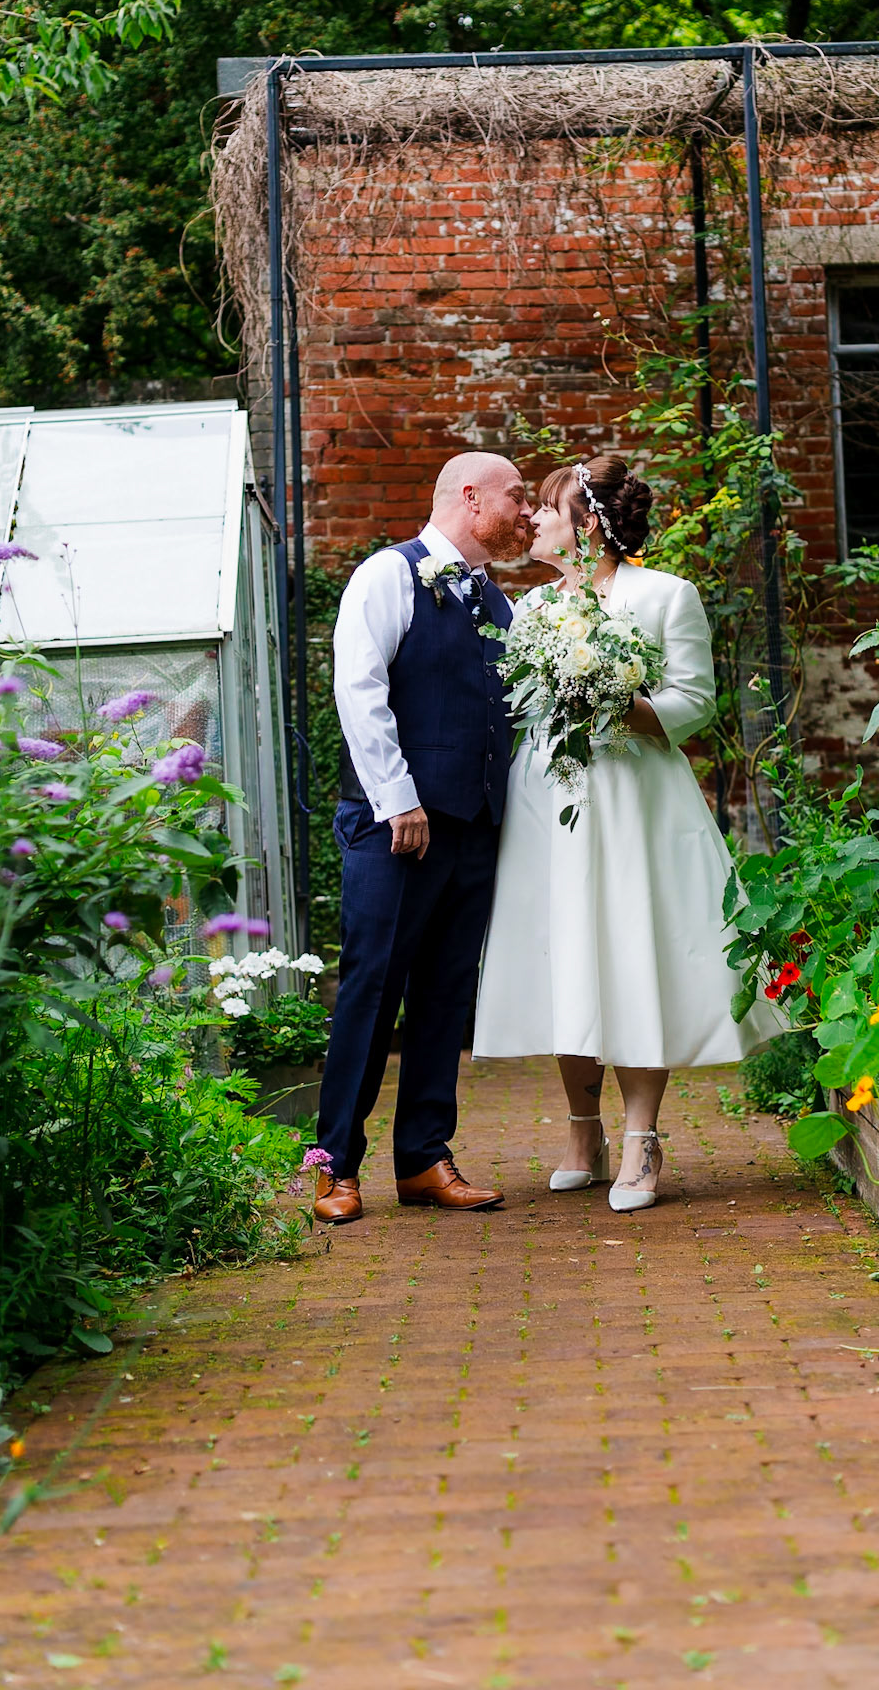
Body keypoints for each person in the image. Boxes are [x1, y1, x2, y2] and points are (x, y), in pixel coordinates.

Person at [474, 454, 783, 1212]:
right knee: (565, 954)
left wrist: (618, 696)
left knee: (631, 952)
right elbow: (520, 703)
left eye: (546, 509)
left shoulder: (665, 596)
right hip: (551, 799)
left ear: (587, 523)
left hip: (634, 796)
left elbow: (694, 704)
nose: (532, 520)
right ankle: (584, 1132)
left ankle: (642, 1139)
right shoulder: (537, 611)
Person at [313, 452, 533, 1225]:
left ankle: (423, 1160)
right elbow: (359, 688)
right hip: (396, 827)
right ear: (469, 498)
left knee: (445, 996)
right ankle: (333, 1167)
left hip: (472, 829)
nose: (525, 510)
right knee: (370, 995)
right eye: (515, 497)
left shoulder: (496, 603)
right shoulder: (386, 574)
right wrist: (398, 799)